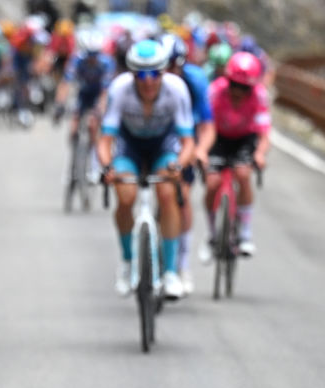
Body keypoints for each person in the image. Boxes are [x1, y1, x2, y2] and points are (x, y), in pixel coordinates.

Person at [97, 39, 195, 300]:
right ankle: (128, 261)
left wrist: (178, 166)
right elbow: (106, 139)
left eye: (154, 73)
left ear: (164, 72)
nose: (148, 80)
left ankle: (171, 272)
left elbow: (188, 142)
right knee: (125, 196)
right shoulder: (120, 89)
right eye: (141, 74)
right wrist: (107, 167)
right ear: (132, 73)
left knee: (167, 194)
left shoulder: (177, 90)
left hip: (164, 145)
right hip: (130, 146)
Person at [197, 51, 270, 261]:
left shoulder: (259, 95)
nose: (238, 91)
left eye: (244, 87)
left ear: (252, 86)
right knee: (212, 183)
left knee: (243, 174)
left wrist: (260, 154)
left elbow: (264, 133)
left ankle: (245, 233)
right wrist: (201, 150)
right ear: (227, 80)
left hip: (245, 139)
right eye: (234, 85)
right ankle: (212, 235)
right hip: (217, 137)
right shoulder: (215, 91)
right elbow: (204, 125)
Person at [163, 33, 214, 295]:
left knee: (182, 193)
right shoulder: (149, 80)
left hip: (186, 137)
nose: (170, 72)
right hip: (158, 135)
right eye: (165, 66)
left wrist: (201, 150)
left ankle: (182, 265)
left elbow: (206, 124)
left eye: (175, 66)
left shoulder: (195, 81)